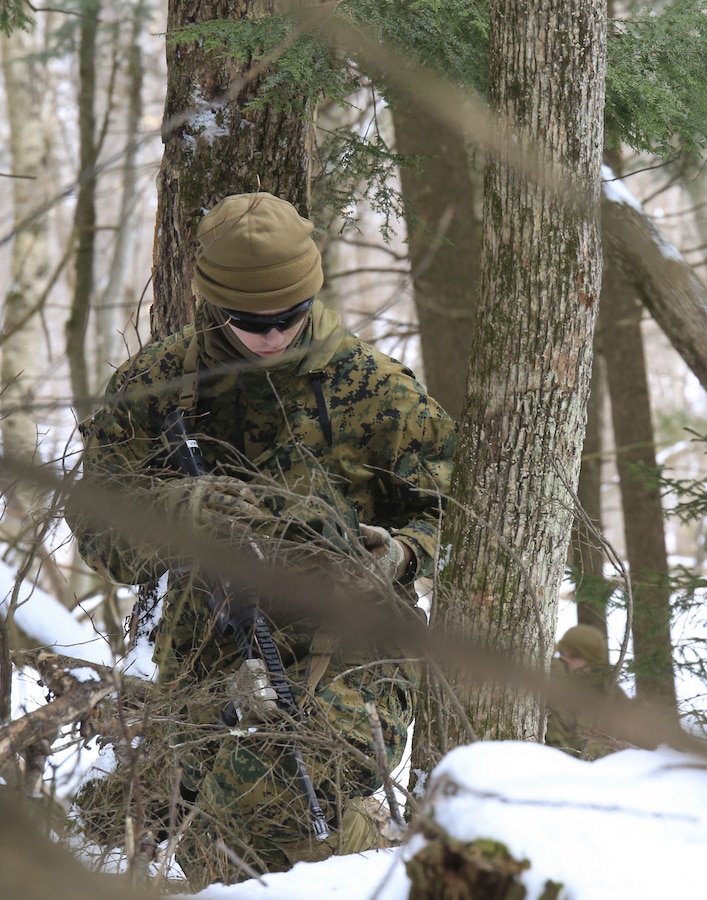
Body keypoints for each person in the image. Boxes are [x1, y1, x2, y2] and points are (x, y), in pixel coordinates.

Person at [67, 191, 456, 886]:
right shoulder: (157, 386)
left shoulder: (382, 394)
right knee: (214, 852)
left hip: (353, 662)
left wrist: (397, 555)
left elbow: (452, 518)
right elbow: (98, 532)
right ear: (215, 306)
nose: (273, 337)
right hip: (204, 662)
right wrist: (174, 511)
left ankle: (361, 848)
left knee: (253, 808)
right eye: (251, 322)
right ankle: (357, 851)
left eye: (289, 317)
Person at [545, 624, 630, 760]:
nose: (564, 659)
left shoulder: (610, 694)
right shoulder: (554, 679)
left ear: (591, 661)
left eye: (573, 656)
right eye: (561, 653)